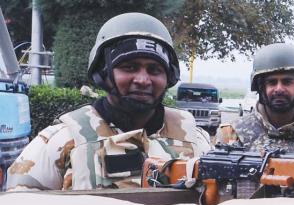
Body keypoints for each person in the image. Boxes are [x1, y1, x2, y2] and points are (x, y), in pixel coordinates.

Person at [7, 13, 211, 191]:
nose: (142, 79)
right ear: (102, 74)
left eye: (154, 70)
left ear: (169, 77)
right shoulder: (63, 141)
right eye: (129, 67)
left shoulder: (195, 140)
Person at [218, 43, 294, 154]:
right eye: (272, 82)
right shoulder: (232, 133)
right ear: (261, 87)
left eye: (287, 82)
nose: (279, 89)